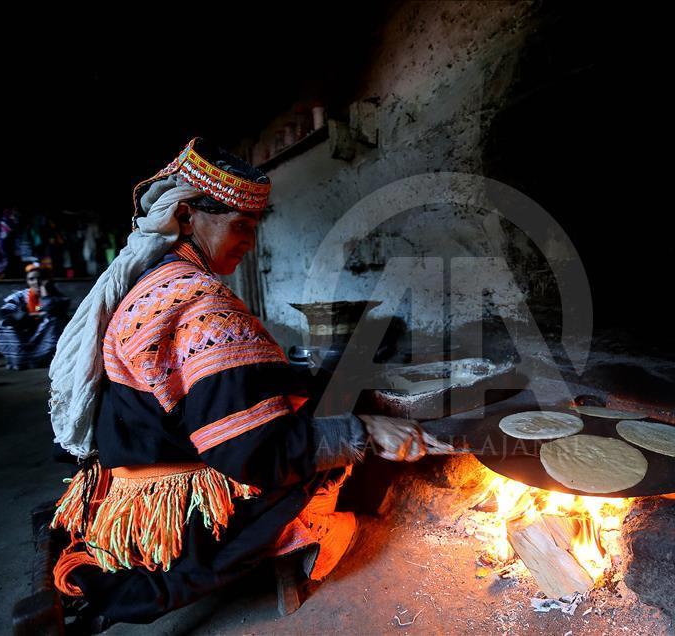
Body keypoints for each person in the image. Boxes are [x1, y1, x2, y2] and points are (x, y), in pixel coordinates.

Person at [45, 138, 454, 627]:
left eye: (254, 227)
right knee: (325, 442)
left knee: (324, 391)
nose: (249, 241)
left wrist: (309, 382)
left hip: (133, 477)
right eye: (239, 226)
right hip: (179, 520)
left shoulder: (157, 280)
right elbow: (255, 456)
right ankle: (315, 523)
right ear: (186, 217)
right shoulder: (201, 304)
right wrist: (363, 430)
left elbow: (221, 380)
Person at [0, 262, 70, 369]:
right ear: (27, 282)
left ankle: (42, 358)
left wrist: (45, 292)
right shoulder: (21, 296)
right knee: (3, 324)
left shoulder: (56, 296)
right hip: (27, 331)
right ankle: (18, 359)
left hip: (45, 336)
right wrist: (27, 318)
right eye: (31, 279)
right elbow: (6, 311)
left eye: (41, 278)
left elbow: (51, 309)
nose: (36, 282)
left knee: (54, 320)